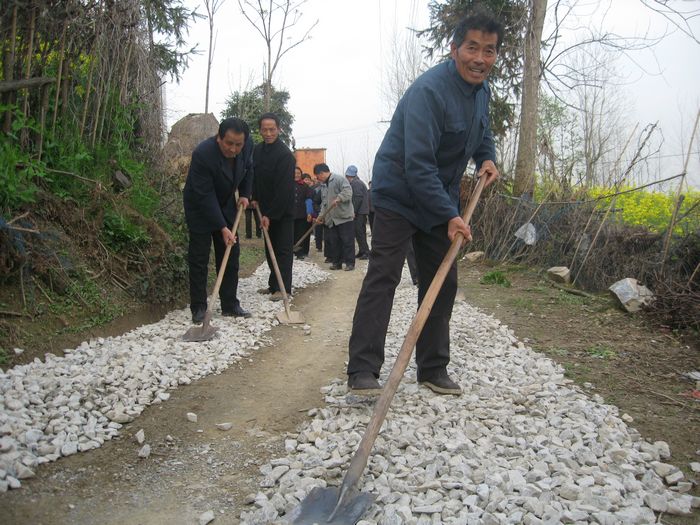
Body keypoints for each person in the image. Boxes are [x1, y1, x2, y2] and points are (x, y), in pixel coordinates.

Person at [346, 11, 502, 396]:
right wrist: (450, 215)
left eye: (489, 50)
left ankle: (432, 368)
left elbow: (483, 132)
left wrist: (486, 157)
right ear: (454, 49)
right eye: (472, 48)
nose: (480, 58)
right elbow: (418, 165)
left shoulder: (482, 92)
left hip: (437, 194)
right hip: (399, 191)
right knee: (384, 275)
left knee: (441, 280)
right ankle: (362, 370)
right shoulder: (429, 92)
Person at [183, 117, 254, 322]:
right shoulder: (203, 154)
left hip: (226, 203)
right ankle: (199, 307)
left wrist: (245, 194)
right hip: (200, 205)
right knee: (199, 257)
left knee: (231, 253)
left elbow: (249, 169)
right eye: (229, 143)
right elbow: (205, 195)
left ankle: (230, 304)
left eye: (238, 144)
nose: (233, 149)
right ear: (219, 138)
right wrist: (222, 227)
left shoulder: (246, 146)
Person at [252, 112, 296, 301]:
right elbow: (254, 177)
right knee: (269, 248)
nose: (268, 133)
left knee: (282, 250)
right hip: (263, 208)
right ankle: (273, 285)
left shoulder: (285, 155)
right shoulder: (257, 151)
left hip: (282, 211)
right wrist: (254, 197)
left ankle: (284, 288)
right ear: (260, 130)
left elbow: (284, 189)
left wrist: (270, 215)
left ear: (279, 129)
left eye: (272, 129)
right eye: (265, 130)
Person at [313, 163, 355, 271]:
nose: (318, 179)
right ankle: (337, 263)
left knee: (347, 241)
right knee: (335, 242)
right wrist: (320, 217)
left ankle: (350, 263)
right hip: (332, 219)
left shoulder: (339, 179)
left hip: (344, 217)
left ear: (321, 173)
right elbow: (324, 204)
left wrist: (339, 198)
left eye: (317, 177)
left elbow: (348, 192)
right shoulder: (324, 186)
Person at [345, 165, 370, 260]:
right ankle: (362, 251)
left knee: (360, 232)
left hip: (360, 212)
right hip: (360, 211)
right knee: (359, 232)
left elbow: (357, 198)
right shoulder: (357, 182)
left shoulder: (356, 183)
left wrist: (354, 211)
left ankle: (366, 252)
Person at [292, 168, 314, 260]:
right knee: (291, 234)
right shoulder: (287, 185)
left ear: (301, 174)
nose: (296, 175)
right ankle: (291, 251)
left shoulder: (305, 186)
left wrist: (309, 213)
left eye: (298, 173)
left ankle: (300, 253)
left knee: (301, 234)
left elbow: (308, 200)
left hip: (302, 215)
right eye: (294, 173)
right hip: (290, 215)